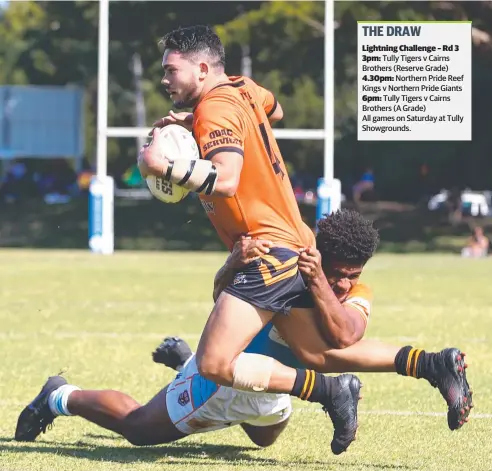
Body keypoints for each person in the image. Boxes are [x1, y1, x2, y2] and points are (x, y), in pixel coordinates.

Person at [137, 25, 360, 454]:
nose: (164, 80)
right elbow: (273, 111)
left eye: (171, 70)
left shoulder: (215, 108)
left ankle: (331, 392)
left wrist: (158, 164)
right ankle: (425, 364)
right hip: (292, 243)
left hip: (267, 251)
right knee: (270, 416)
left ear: (201, 68)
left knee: (216, 363)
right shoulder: (241, 88)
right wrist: (199, 121)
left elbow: (226, 179)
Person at [155, 210, 473, 437]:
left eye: (355, 275)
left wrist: (321, 279)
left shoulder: (349, 289)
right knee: (136, 428)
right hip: (235, 372)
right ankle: (188, 363)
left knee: (262, 438)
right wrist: (233, 263)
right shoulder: (285, 276)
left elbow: (347, 334)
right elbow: (222, 301)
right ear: (319, 256)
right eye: (339, 274)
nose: (346, 285)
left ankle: (431, 365)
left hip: (275, 387)